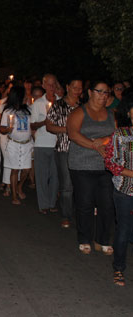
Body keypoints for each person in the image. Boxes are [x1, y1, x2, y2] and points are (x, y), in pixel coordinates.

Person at [67, 80, 116, 255]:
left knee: (107, 203)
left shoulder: (110, 114)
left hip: (105, 165)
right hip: (82, 164)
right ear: (90, 92)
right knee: (85, 203)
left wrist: (103, 141)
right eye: (100, 91)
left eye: (106, 92)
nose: (104, 96)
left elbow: (115, 134)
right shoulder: (79, 112)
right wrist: (96, 146)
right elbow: (73, 134)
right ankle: (85, 238)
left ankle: (102, 239)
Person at [104, 89, 133, 286]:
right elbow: (111, 163)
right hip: (124, 190)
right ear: (129, 112)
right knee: (123, 230)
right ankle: (119, 268)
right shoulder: (121, 135)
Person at [46, 78, 83, 228]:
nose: (77, 90)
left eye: (80, 88)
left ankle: (81, 213)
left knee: (81, 185)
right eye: (74, 87)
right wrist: (68, 130)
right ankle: (66, 215)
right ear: (67, 87)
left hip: (82, 149)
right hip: (64, 149)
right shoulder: (58, 105)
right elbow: (49, 126)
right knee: (67, 185)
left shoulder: (84, 106)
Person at [30, 74, 60, 214]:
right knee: (42, 176)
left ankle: (52, 202)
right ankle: (43, 204)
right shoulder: (37, 104)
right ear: (43, 86)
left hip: (57, 144)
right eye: (48, 84)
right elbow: (33, 124)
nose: (51, 87)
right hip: (42, 143)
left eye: (54, 84)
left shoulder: (60, 102)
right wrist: (45, 121)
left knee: (55, 175)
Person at [0, 87, 32, 205]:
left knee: (27, 169)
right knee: (14, 170)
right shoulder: (8, 112)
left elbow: (31, 126)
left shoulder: (28, 110)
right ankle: (14, 195)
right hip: (13, 144)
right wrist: (7, 129)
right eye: (24, 96)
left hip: (27, 144)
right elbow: (2, 129)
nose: (26, 98)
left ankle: (19, 186)